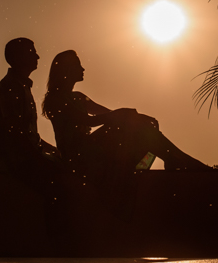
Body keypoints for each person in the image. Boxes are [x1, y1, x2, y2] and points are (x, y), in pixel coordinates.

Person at [41, 50, 209, 180]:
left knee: (142, 127)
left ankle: (171, 160)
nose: (83, 68)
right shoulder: (55, 99)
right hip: (79, 157)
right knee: (136, 128)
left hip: (91, 150)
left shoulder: (78, 96)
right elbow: (89, 121)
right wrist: (123, 115)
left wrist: (137, 118)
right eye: (78, 65)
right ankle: (176, 160)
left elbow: (107, 114)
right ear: (68, 69)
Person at [0, 38, 60, 180]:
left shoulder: (21, 86)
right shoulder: (11, 88)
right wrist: (41, 158)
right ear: (18, 57)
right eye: (32, 52)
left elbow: (27, 134)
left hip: (25, 160)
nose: (37, 56)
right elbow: (16, 134)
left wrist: (52, 150)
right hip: (18, 164)